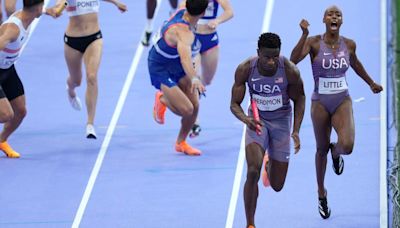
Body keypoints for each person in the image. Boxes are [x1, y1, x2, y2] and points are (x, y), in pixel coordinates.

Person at [290, 5, 383, 219]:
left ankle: (337, 152)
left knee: (347, 146)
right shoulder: (313, 42)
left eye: (338, 14)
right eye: (330, 14)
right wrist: (303, 34)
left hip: (342, 100)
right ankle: (321, 193)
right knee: (320, 149)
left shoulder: (349, 44)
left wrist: (371, 83)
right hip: (320, 103)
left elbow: (356, 63)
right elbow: (293, 59)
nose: (334, 16)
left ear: (341, 21)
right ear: (324, 19)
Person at [230, 32, 305, 228]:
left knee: (277, 185)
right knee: (252, 172)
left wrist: (296, 130)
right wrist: (246, 119)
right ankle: (250, 224)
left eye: (275, 57)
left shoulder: (290, 70)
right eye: (267, 57)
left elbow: (300, 99)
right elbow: (234, 104)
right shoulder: (245, 69)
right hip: (257, 121)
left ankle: (269, 160)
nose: (271, 62)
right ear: (258, 53)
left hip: (281, 121)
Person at [45, 0, 127, 139]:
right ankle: (70, 90)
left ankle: (90, 124)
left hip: (94, 38)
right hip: (72, 41)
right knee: (76, 81)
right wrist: (55, 11)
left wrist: (116, 3)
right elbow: (57, 7)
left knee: (92, 77)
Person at [149, 0, 208, 156]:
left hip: (173, 61)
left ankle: (180, 142)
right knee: (187, 110)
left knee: (195, 105)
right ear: (203, 13)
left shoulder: (183, 9)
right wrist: (195, 78)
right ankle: (162, 99)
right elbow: (186, 60)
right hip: (160, 67)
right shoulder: (183, 33)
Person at [180, 0, 233, 138]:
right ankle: (194, 121)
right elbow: (180, 11)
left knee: (207, 80)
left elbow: (229, 12)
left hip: (210, 39)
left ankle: (193, 91)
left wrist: (218, 20)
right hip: (193, 38)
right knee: (194, 78)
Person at [0, 0, 44, 158]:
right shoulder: (13, 29)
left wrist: (57, 8)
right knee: (5, 115)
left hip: (7, 70)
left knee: (20, 112)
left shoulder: (30, 16)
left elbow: (48, 11)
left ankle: (1, 140)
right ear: (38, 7)